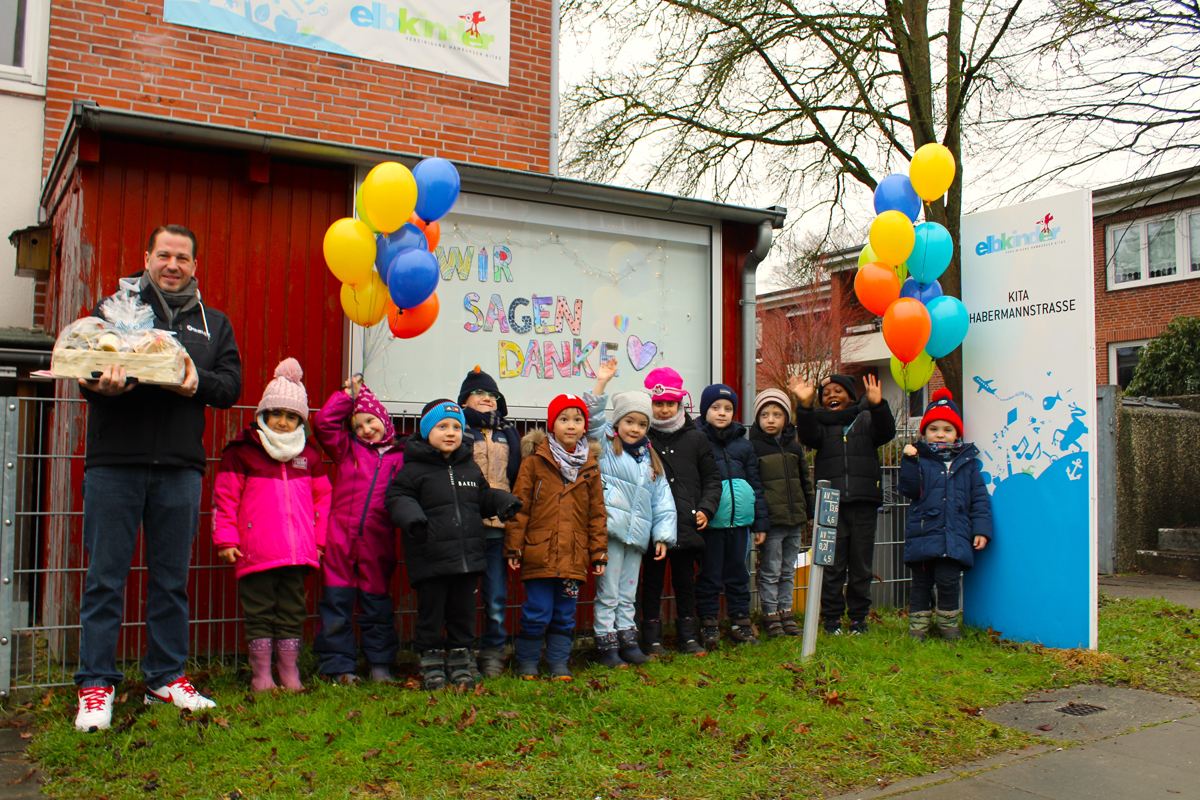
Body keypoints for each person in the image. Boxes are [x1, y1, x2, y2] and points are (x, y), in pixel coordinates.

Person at [73, 224, 241, 733]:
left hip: (179, 469)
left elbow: (230, 386)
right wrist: (104, 386)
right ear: (147, 258)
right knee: (105, 578)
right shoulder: (113, 311)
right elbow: (86, 373)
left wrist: (195, 382)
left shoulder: (214, 324)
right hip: (114, 465)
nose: (173, 265)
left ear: (195, 266)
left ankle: (164, 678)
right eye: (164, 255)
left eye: (182, 258)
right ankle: (96, 684)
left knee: (171, 582)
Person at [212, 359, 330, 692]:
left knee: (293, 611)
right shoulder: (243, 453)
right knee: (260, 612)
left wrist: (318, 543)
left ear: (300, 421)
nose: (283, 421)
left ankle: (289, 673)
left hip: (298, 552)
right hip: (256, 550)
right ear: (262, 414)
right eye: (276, 413)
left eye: (292, 416)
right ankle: (262, 676)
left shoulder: (309, 456)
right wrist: (225, 539)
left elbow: (323, 502)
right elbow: (225, 499)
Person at [385, 400, 521, 690]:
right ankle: (431, 662)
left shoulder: (469, 468)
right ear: (425, 431)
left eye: (457, 427)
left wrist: (502, 501)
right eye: (442, 426)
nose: (451, 432)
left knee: (463, 614)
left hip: (468, 558)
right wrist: (411, 515)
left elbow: (482, 498)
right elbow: (398, 498)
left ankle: (461, 660)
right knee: (431, 615)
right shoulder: (413, 470)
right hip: (431, 558)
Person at [504, 393, 608, 680]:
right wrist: (514, 548)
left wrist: (598, 552)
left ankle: (559, 662)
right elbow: (520, 507)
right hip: (539, 550)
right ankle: (526, 662)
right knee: (537, 609)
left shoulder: (590, 467)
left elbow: (597, 513)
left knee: (564, 612)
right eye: (564, 419)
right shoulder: (535, 463)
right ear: (552, 425)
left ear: (585, 427)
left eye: (577, 420)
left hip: (574, 554)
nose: (571, 426)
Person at [311, 376, 405, 684]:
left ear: (383, 418)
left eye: (370, 421)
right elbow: (324, 424)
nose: (365, 430)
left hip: (378, 540)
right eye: (358, 426)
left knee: (375, 602)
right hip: (340, 536)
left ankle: (380, 665)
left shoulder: (400, 457)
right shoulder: (348, 449)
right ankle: (339, 667)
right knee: (337, 602)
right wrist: (346, 395)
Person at [585, 359, 677, 667]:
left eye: (641, 424)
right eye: (629, 422)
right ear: (617, 424)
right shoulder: (607, 448)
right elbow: (593, 419)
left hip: (637, 537)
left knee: (627, 592)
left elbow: (663, 499)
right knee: (608, 591)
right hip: (611, 532)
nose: (635, 428)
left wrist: (663, 535)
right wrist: (601, 384)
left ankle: (627, 637)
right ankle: (606, 642)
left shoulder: (651, 459)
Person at [793, 373, 896, 635]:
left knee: (861, 565)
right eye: (826, 394)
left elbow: (887, 432)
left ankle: (858, 619)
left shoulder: (866, 418)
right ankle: (832, 619)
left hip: (863, 502)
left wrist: (878, 405)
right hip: (831, 503)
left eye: (838, 391)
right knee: (833, 564)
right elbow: (806, 435)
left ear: (850, 395)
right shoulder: (820, 425)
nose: (832, 396)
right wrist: (804, 406)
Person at [639, 366, 721, 656]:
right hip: (653, 526)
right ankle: (650, 637)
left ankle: (688, 635)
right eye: (658, 404)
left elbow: (712, 478)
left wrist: (707, 509)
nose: (663, 410)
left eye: (669, 404)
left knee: (686, 582)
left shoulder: (697, 438)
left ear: (679, 404)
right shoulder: (642, 437)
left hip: (688, 524)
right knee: (651, 582)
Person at [898, 389, 992, 642]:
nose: (940, 434)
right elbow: (909, 490)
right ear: (925, 432)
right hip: (924, 534)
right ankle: (918, 627)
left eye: (947, 429)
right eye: (934, 428)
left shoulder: (967, 463)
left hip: (955, 534)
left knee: (949, 581)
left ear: (957, 434)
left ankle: (948, 625)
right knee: (921, 582)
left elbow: (979, 499)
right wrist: (908, 462)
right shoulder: (919, 459)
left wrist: (981, 529)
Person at [458, 366, 522, 677]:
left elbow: (517, 476)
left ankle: (494, 650)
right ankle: (464, 650)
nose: (488, 398)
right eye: (480, 393)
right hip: (466, 525)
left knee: (496, 594)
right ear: (465, 400)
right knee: (464, 595)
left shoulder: (508, 433)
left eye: (493, 394)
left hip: (499, 528)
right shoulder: (456, 429)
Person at [695, 384, 769, 650]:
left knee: (739, 574)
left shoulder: (743, 445)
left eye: (727, 409)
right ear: (705, 411)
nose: (722, 413)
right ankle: (708, 623)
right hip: (711, 524)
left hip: (740, 524)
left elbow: (755, 484)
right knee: (710, 575)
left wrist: (760, 522)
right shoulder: (698, 440)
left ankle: (740, 622)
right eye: (715, 408)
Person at [749, 388, 815, 638]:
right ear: (757, 418)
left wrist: (809, 512)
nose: (770, 420)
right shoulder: (753, 447)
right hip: (772, 521)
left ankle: (786, 611)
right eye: (765, 414)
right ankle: (770, 614)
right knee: (770, 569)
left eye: (777, 414)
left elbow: (805, 481)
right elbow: (754, 486)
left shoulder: (795, 448)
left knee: (789, 569)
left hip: (794, 519)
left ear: (786, 418)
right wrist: (759, 521)